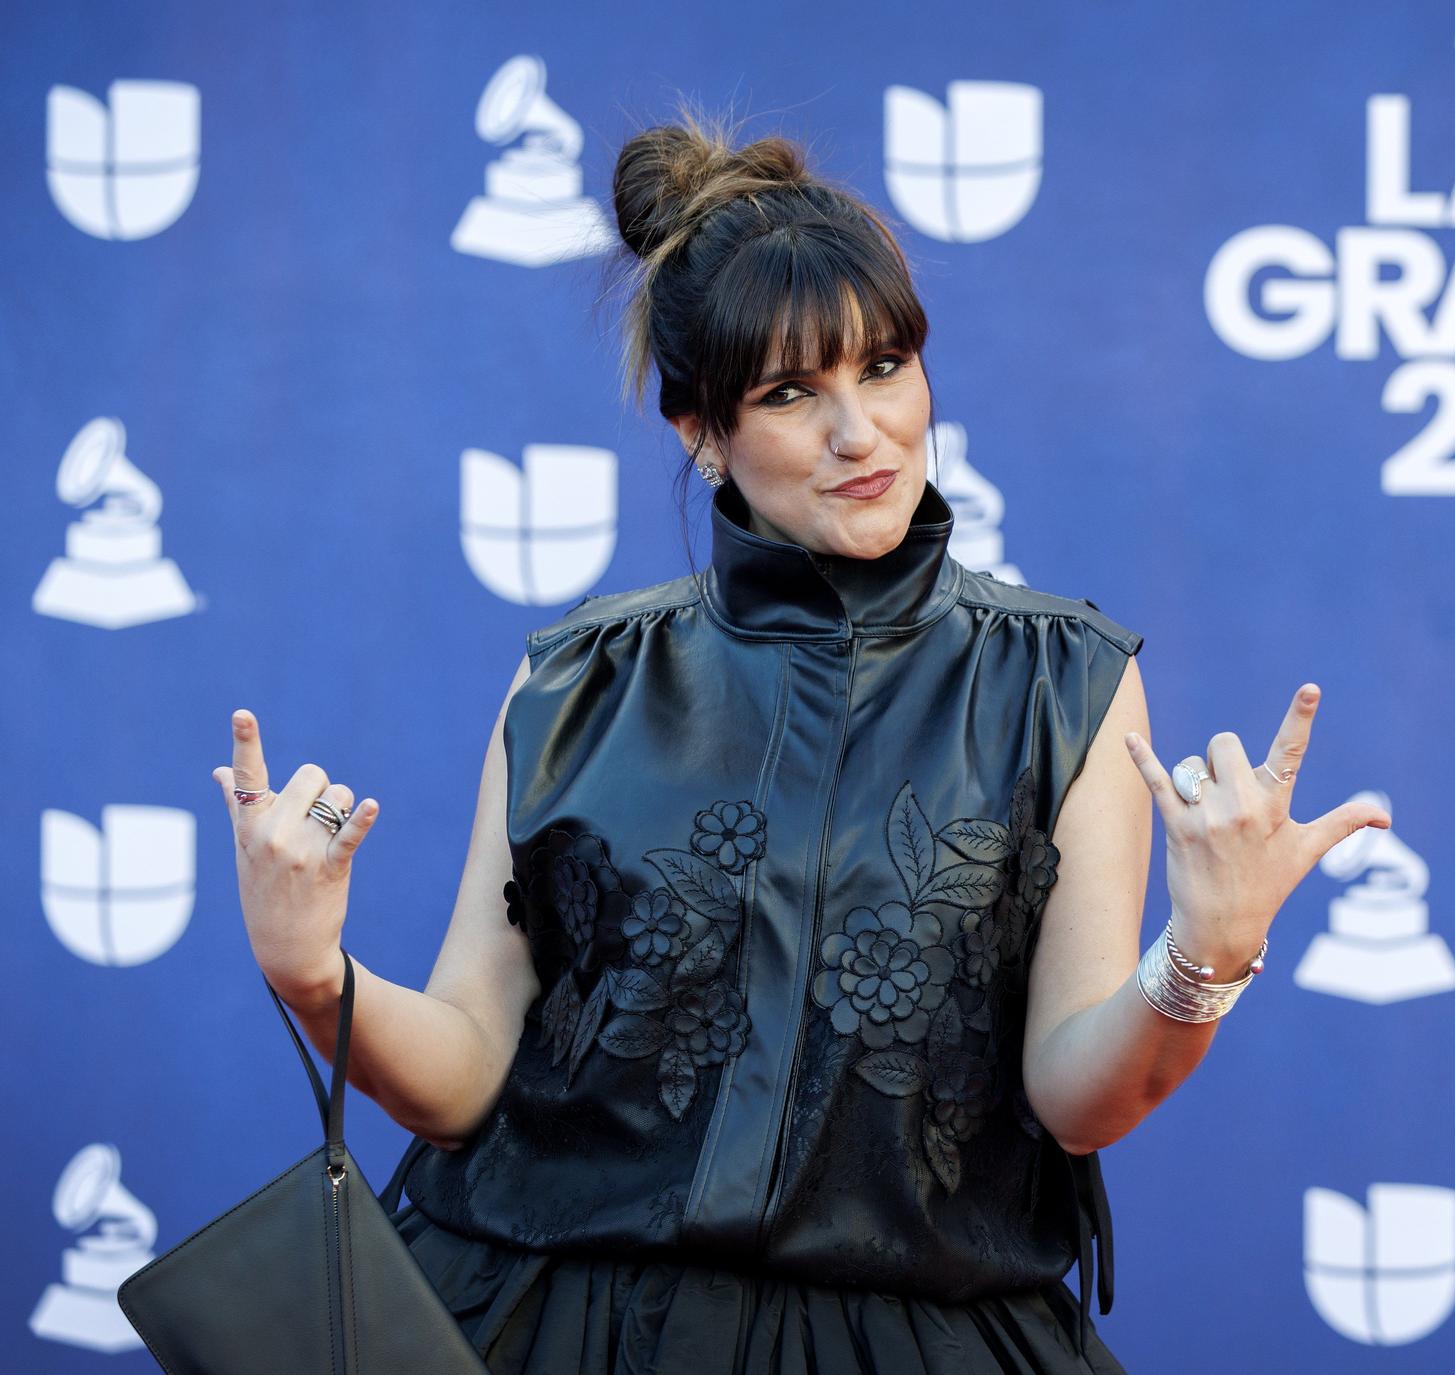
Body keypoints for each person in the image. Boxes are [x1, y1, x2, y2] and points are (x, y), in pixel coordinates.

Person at [214, 103, 1391, 1375]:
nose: (860, 432)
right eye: (790, 392)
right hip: (547, 1325)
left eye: (883, 366)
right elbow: (458, 1078)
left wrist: (1203, 955)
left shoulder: (1061, 677)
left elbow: (1074, 1094)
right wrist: (312, 971)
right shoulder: (577, 675)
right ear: (700, 435)